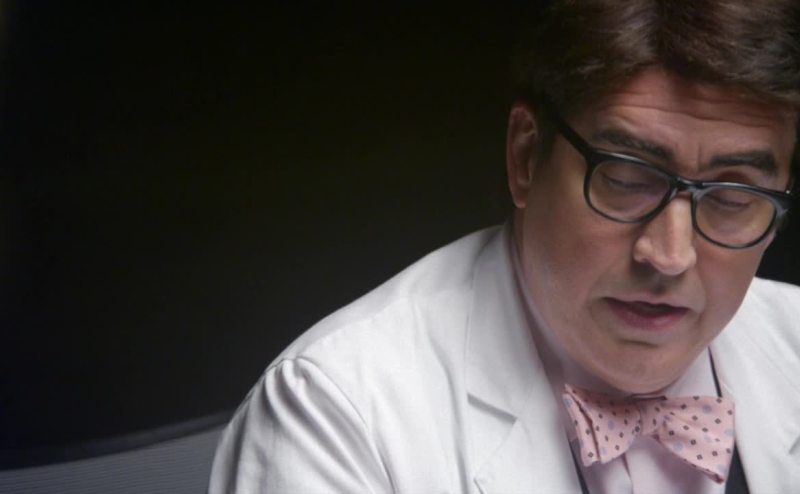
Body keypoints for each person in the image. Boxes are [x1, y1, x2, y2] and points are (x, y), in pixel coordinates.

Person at [209, 1, 800, 492]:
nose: (669, 256)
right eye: (625, 178)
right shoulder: (335, 415)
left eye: (732, 197)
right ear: (525, 156)